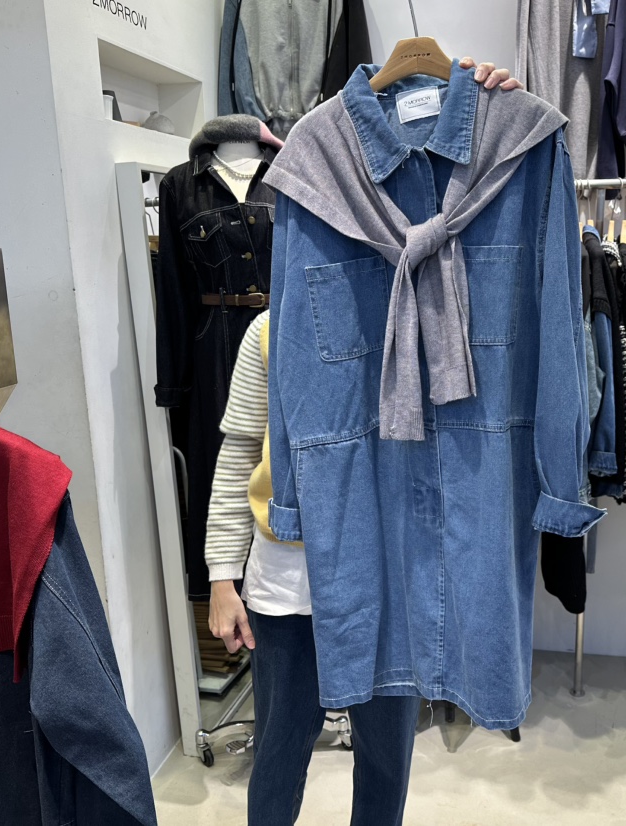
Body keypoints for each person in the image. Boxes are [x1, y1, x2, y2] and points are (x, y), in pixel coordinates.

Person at [207, 59, 525, 826]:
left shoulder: (435, 328)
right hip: (287, 579)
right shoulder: (266, 334)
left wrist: (494, 113)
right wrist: (221, 577)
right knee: (281, 746)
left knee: (385, 757)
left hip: (391, 573)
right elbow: (237, 455)